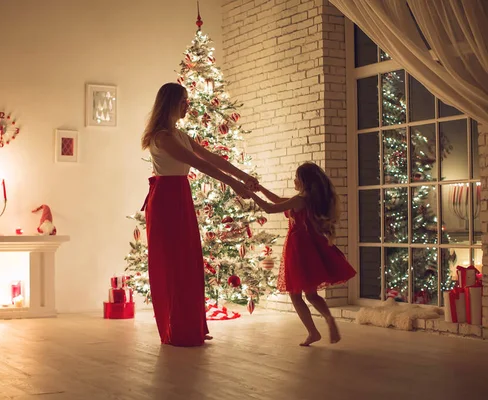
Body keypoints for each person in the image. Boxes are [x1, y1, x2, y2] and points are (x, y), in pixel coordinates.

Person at [140, 82, 258, 347]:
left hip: (180, 196)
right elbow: (198, 164)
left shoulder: (179, 134)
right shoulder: (162, 137)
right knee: (173, 266)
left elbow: (211, 158)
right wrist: (235, 185)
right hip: (166, 202)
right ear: (171, 103)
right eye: (184, 100)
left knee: (189, 262)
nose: (187, 105)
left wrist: (243, 176)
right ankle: (177, 328)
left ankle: (190, 325)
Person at [248, 162, 356, 346]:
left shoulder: (300, 200)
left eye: (297, 177)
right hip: (311, 248)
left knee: (295, 295)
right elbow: (277, 200)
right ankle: (329, 318)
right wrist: (259, 188)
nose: (294, 180)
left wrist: (249, 194)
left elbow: (270, 208)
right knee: (311, 294)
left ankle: (313, 332)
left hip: (298, 249)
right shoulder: (310, 200)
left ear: (304, 181)